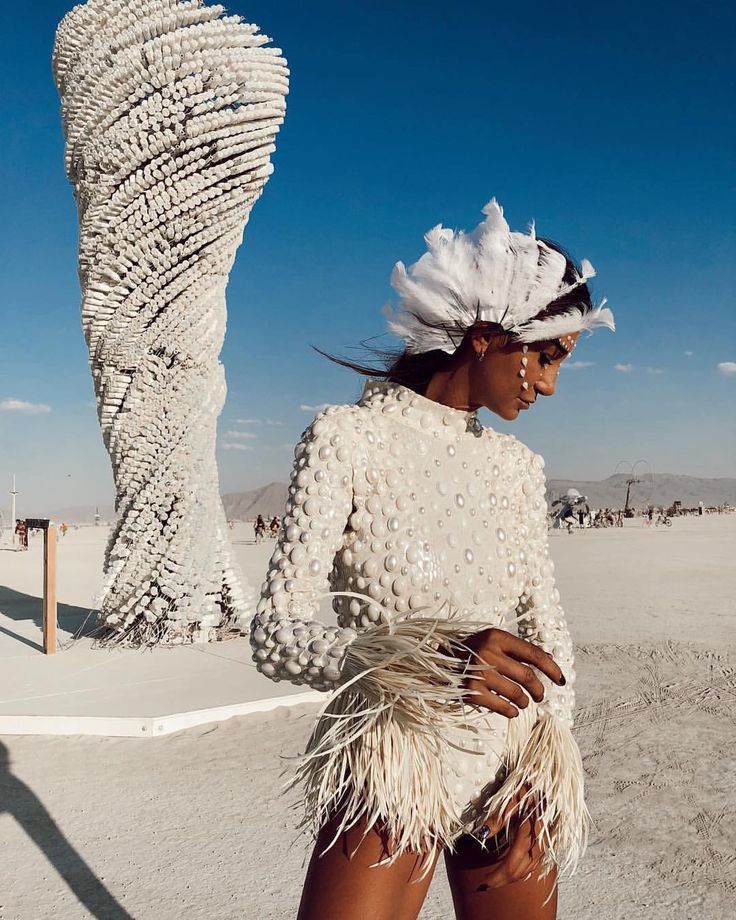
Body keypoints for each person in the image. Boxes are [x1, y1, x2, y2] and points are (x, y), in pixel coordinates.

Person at [250, 199, 615, 920]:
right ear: (485, 336)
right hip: (395, 762)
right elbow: (276, 634)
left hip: (511, 767)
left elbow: (549, 634)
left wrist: (548, 768)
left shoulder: (517, 468)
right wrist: (434, 659)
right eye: (546, 356)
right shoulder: (345, 439)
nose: (548, 385)